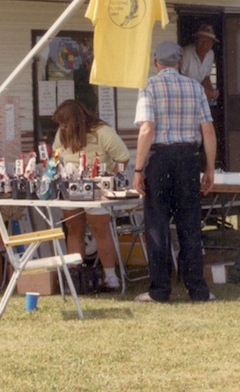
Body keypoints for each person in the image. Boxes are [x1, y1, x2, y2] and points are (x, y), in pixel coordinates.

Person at [132, 41, 217, 302]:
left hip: (160, 158)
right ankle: (198, 289)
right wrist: (209, 167)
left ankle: (159, 290)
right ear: (179, 62)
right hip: (189, 158)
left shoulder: (149, 86)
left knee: (157, 224)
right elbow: (208, 131)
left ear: (156, 62)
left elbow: (147, 129)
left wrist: (137, 169)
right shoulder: (194, 87)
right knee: (189, 224)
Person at [52, 99, 130, 290]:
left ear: (77, 121)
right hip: (69, 187)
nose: (62, 127)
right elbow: (56, 154)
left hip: (96, 188)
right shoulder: (62, 132)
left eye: (65, 123)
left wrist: (110, 176)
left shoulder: (102, 132)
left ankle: (111, 277)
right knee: (74, 229)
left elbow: (123, 157)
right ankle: (75, 277)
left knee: (100, 229)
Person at [180, 24, 219, 101]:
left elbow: (206, 77)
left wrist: (212, 92)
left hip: (198, 96)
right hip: (185, 96)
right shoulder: (186, 53)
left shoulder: (211, 54)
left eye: (208, 42)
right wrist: (201, 91)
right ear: (196, 41)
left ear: (212, 44)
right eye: (201, 41)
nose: (204, 45)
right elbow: (180, 79)